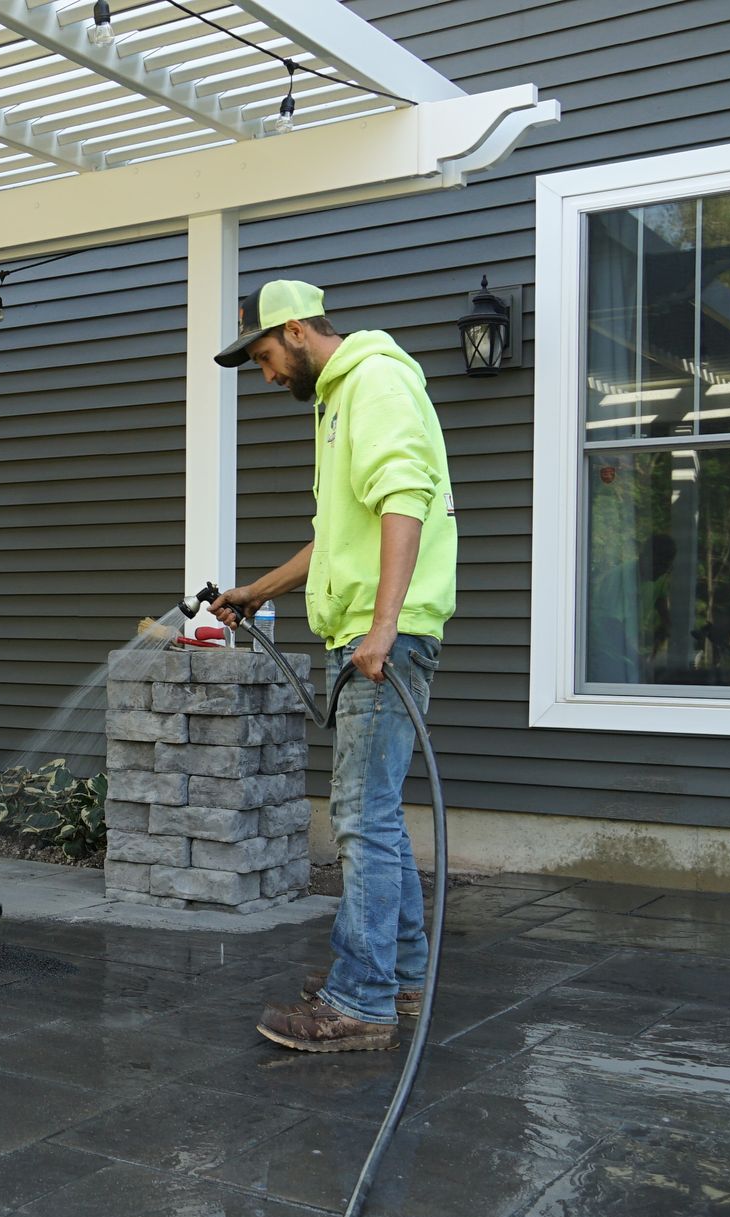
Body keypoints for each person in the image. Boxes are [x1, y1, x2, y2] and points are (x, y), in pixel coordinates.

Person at [209, 280, 457, 1053]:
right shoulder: (338, 401)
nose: (265, 374)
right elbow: (340, 542)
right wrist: (258, 590)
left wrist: (382, 626)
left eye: (263, 357)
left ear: (293, 330)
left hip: (385, 637)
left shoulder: (375, 380)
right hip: (367, 632)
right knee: (375, 812)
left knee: (359, 818)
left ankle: (360, 1004)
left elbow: (404, 502)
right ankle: (400, 976)